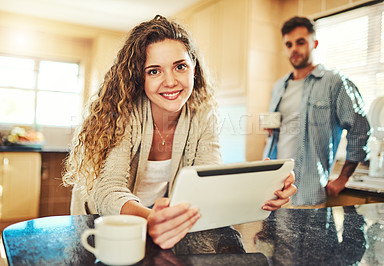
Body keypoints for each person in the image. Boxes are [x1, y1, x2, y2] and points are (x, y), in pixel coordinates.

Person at [63, 15, 296, 250]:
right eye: (154, 71)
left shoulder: (203, 115)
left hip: (159, 223)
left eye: (180, 66)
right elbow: (109, 190)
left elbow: (209, 180)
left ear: (193, 68)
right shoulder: (124, 112)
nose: (171, 81)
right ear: (139, 76)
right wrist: (151, 219)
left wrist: (259, 191)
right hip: (100, 223)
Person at [263, 16, 370, 207]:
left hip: (309, 194)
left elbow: (360, 128)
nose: (294, 49)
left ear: (315, 43)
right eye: (288, 44)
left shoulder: (334, 82)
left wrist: (343, 178)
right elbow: (274, 132)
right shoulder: (279, 86)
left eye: (300, 42)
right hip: (273, 192)